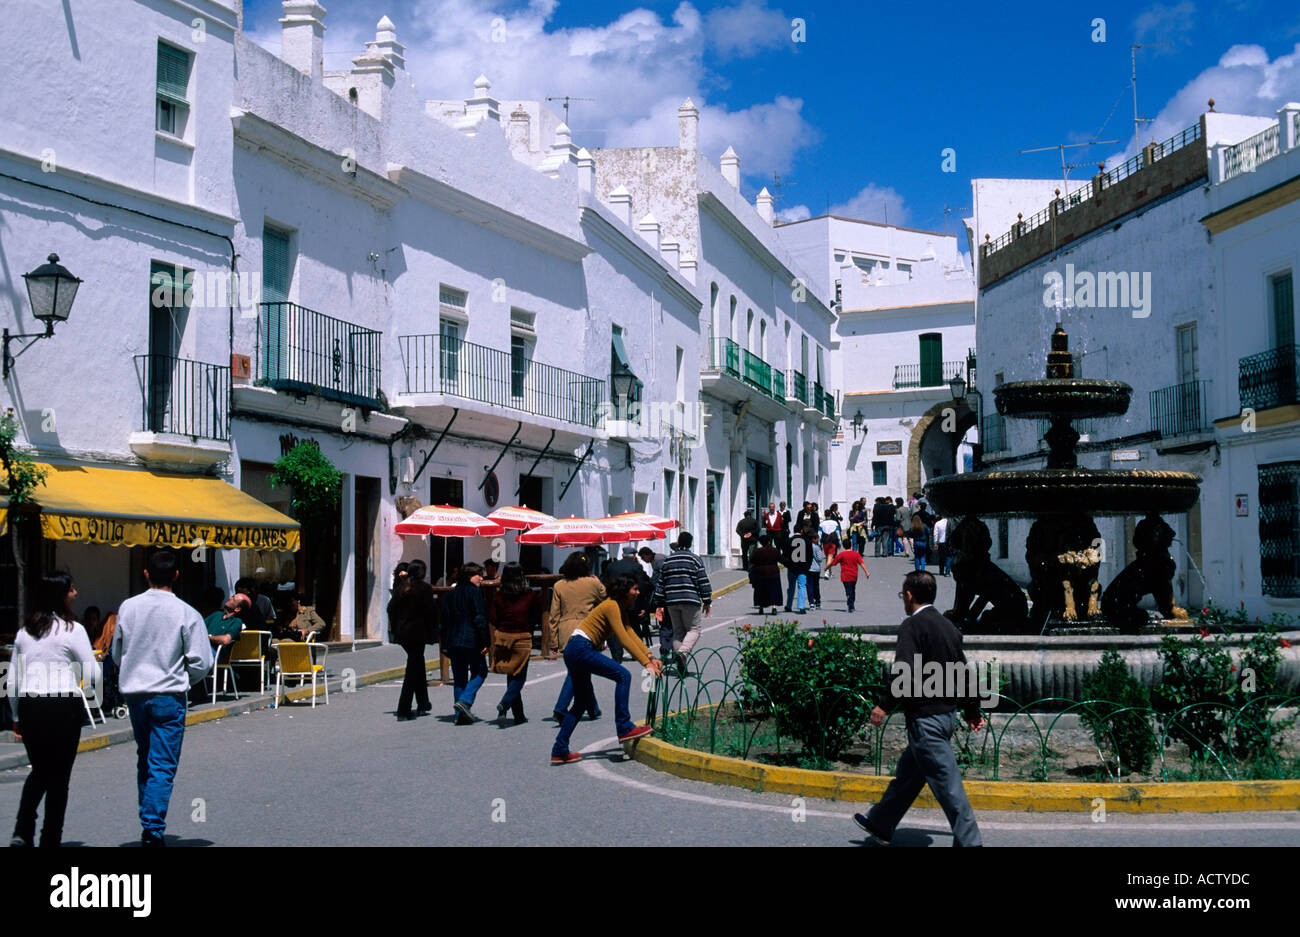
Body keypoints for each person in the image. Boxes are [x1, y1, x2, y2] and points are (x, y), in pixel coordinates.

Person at [854, 571, 985, 847]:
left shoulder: (912, 626)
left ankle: (970, 842)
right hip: (945, 716)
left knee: (949, 787)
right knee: (910, 775)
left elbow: (904, 673)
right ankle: (881, 822)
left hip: (926, 719)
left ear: (910, 596)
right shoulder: (949, 627)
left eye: (904, 594)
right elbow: (962, 673)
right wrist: (973, 711)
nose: (904, 599)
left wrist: (883, 705)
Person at [113, 551, 212, 847]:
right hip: (169, 694)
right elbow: (201, 662)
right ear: (176, 576)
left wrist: (131, 670)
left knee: (146, 758)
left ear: (146, 574)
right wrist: (184, 680)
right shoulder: (186, 612)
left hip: (135, 693)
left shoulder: (129, 607)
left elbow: (118, 651)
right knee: (162, 764)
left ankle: (149, 819)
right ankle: (152, 829)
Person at [8, 572, 99, 848]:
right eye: (71, 589)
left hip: (31, 704)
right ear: (61, 595)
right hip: (63, 705)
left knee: (40, 770)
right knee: (59, 777)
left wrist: (15, 716)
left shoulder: (25, 632)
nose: (75, 593)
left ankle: (23, 830)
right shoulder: (73, 630)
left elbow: (12, 680)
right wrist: (91, 697)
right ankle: (50, 839)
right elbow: (93, 672)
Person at [550, 575, 664, 765]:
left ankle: (559, 749)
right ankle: (624, 726)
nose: (637, 592)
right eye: (634, 589)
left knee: (581, 702)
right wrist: (646, 664)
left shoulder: (619, 608)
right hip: (581, 647)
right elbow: (623, 639)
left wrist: (650, 656)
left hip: (575, 649)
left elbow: (630, 633)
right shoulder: (611, 606)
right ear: (623, 591)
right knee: (623, 675)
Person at [549, 553, 608, 720]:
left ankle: (593, 708)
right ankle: (561, 707)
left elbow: (554, 615)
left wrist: (553, 640)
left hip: (566, 630)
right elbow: (606, 601)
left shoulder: (559, 585)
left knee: (581, 670)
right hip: (588, 629)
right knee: (578, 671)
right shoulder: (593, 583)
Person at [651, 531, 712, 673]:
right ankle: (683, 652)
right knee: (694, 629)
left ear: (678, 542)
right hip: (690, 599)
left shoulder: (668, 560)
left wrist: (659, 603)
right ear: (690, 543)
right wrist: (707, 600)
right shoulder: (695, 559)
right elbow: (702, 580)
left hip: (671, 601)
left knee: (678, 631)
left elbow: (661, 583)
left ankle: (681, 662)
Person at [489, 562, 541, 726]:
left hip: (503, 636)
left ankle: (518, 714)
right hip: (522, 637)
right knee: (519, 677)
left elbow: (493, 617)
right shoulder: (529, 594)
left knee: (511, 675)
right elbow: (535, 616)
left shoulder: (498, 595)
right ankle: (504, 704)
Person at [390, 559, 437, 721]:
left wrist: (396, 627)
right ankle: (404, 708)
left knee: (417, 664)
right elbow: (431, 611)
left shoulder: (402, 588)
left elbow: (390, 608)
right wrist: (433, 631)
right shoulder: (424, 589)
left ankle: (423, 702)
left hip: (403, 634)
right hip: (417, 633)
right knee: (413, 669)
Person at [441, 563, 488, 724]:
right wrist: (485, 641)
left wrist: (445, 644)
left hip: (453, 640)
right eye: (478, 575)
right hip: (471, 639)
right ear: (470, 576)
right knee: (480, 671)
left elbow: (444, 622)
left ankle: (459, 714)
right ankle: (465, 701)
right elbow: (479, 618)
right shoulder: (475, 593)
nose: (481, 578)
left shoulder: (449, 595)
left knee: (459, 677)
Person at [604, 546, 653, 657]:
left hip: (615, 601)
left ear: (622, 555)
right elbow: (641, 587)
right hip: (632, 603)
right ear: (634, 556)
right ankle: (636, 653)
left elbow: (606, 583)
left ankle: (617, 653)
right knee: (633, 627)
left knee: (615, 627)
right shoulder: (636, 567)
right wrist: (643, 606)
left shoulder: (611, 566)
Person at [826, 538, 869, 613]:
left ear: (843, 546)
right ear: (851, 545)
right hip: (854, 575)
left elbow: (833, 563)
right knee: (853, 589)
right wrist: (866, 572)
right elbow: (861, 563)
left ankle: (850, 605)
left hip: (845, 576)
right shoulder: (856, 554)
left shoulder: (841, 555)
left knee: (848, 591)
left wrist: (826, 567)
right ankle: (852, 603)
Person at [783, 525, 814, 614]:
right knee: (802, 586)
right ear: (801, 531)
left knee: (791, 587)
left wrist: (787, 565)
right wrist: (807, 566)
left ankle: (789, 605)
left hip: (792, 567)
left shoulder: (788, 541)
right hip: (803, 567)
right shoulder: (807, 541)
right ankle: (801, 607)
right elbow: (810, 556)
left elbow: (785, 555)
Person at [749, 534, 783, 614]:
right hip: (773, 572)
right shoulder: (774, 550)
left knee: (761, 591)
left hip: (760, 573)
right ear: (769, 542)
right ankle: (774, 607)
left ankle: (761, 608)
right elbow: (781, 559)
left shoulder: (757, 551)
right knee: (774, 590)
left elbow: (752, 560)